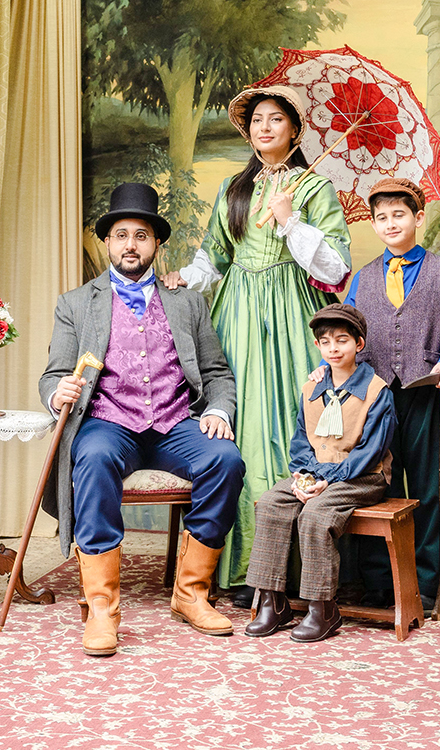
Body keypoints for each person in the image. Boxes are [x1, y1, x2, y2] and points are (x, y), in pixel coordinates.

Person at [162, 85, 352, 602]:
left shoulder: (315, 189)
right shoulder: (234, 189)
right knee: (238, 430)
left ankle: (294, 574)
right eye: (257, 121)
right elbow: (214, 259)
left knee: (298, 426)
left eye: (276, 119)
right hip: (238, 318)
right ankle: (243, 571)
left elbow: (336, 267)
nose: (265, 127)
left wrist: (291, 219)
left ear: (294, 128)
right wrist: (186, 276)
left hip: (292, 317)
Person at [40, 183, 244, 656]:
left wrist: (216, 409)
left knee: (226, 460)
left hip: (175, 423)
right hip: (110, 422)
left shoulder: (188, 302)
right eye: (121, 235)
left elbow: (216, 372)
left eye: (141, 235)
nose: (131, 244)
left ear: (156, 244)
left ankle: (191, 594)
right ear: (108, 243)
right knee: (89, 458)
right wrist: (57, 392)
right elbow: (53, 373)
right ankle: (102, 608)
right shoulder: (75, 303)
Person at [344, 178, 440, 604]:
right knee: (376, 483)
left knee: (425, 486)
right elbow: (347, 333)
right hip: (376, 397)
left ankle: (424, 584)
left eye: (398, 215)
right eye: (381, 218)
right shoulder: (363, 278)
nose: (390, 224)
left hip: (424, 390)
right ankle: (380, 581)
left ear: (418, 218)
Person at [243, 304, 396, 642]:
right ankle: (272, 601)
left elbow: (369, 452)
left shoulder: (376, 391)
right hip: (316, 473)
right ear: (317, 347)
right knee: (271, 502)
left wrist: (329, 480)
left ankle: (322, 608)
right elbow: (300, 440)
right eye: (325, 342)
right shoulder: (312, 388)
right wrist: (303, 476)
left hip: (361, 476)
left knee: (314, 514)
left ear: (359, 344)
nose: (333, 349)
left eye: (342, 341)